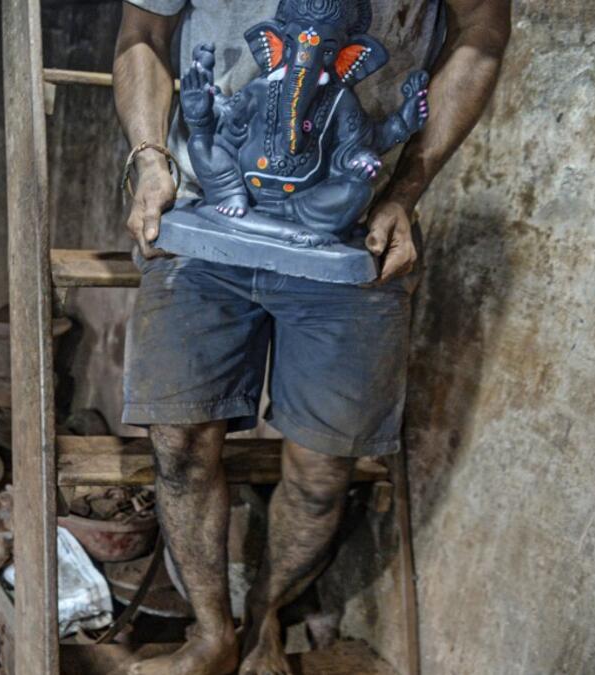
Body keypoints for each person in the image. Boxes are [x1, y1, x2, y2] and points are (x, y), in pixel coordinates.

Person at [113, 0, 510, 673]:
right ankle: (211, 634)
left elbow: (483, 30)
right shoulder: (261, 87)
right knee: (178, 439)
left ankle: (265, 613)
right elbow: (143, 32)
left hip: (349, 237)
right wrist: (155, 158)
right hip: (208, 216)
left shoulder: (342, 103)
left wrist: (404, 186)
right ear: (274, 45)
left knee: (324, 469)